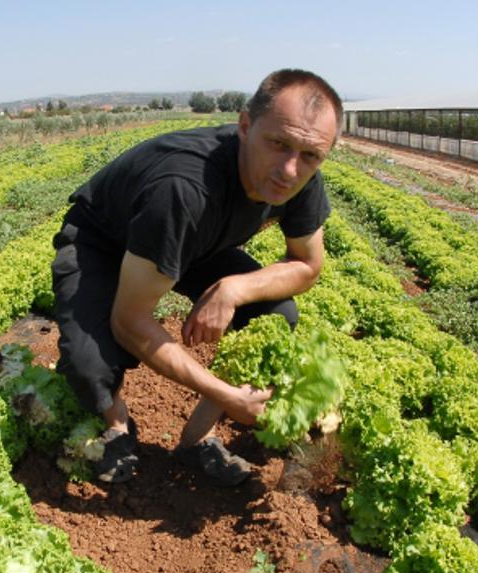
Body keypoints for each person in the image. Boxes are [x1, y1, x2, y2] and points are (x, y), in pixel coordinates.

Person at [49, 68, 342, 485]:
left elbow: (307, 265)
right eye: (278, 144)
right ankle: (117, 424)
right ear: (245, 126)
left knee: (275, 315)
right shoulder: (184, 190)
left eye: (310, 156)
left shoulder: (300, 180)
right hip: (105, 238)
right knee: (88, 363)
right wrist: (228, 395)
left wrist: (234, 288)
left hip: (192, 243)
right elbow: (130, 322)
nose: (290, 170)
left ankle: (196, 440)